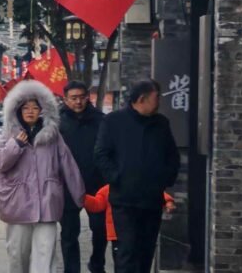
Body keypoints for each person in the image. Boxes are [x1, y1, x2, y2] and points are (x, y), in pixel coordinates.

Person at [0, 80, 85, 273]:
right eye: (26, 108)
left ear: (43, 110)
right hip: (18, 202)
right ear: (18, 110)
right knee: (18, 254)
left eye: (35, 107)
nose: (31, 111)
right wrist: (15, 145)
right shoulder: (10, 134)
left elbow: (68, 165)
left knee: (46, 253)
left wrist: (80, 196)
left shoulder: (52, 136)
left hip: (47, 201)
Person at [94, 80, 180, 273]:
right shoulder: (114, 121)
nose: (159, 101)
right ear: (142, 98)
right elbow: (101, 154)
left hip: (151, 200)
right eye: (156, 97)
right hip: (124, 200)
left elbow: (172, 156)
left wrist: (164, 180)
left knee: (146, 252)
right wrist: (117, 178)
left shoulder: (161, 124)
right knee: (127, 252)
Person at [58, 80, 107, 273]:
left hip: (96, 184)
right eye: (74, 98)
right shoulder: (58, 122)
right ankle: (71, 269)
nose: (78, 102)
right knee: (69, 233)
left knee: (100, 229)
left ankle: (97, 263)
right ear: (66, 99)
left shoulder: (101, 120)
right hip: (67, 185)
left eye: (82, 97)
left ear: (88, 97)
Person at [83, 185, 177, 263]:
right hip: (118, 235)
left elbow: (155, 192)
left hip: (126, 233)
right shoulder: (108, 189)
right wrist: (82, 197)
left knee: (127, 261)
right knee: (122, 262)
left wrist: (168, 201)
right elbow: (97, 204)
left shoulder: (112, 187)